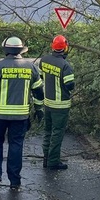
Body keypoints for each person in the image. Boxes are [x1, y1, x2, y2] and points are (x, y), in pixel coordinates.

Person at [0, 36, 44, 190]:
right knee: (16, 145)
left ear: (6, 50)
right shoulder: (31, 68)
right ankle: (15, 180)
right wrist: (39, 109)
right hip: (20, 116)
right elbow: (38, 92)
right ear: (21, 51)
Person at [39, 35, 75, 170]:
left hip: (47, 103)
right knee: (57, 133)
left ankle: (46, 158)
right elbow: (70, 84)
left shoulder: (44, 60)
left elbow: (42, 76)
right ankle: (53, 161)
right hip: (60, 105)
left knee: (48, 131)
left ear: (52, 47)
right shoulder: (65, 65)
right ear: (65, 48)